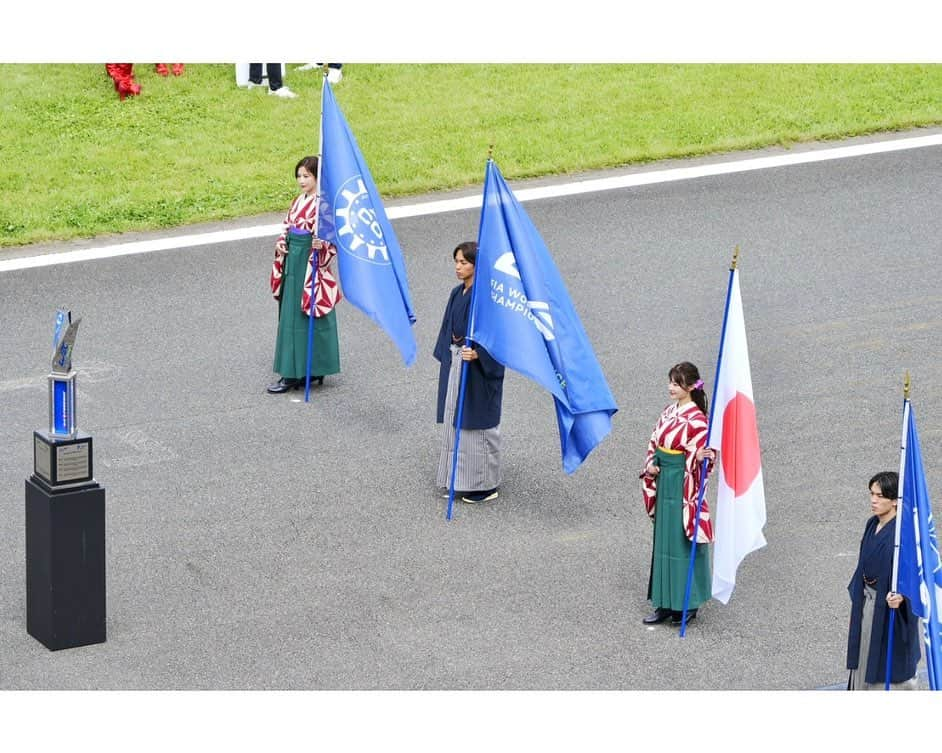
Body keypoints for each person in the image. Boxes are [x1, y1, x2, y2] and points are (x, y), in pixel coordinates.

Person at [639, 361, 715, 628]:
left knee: (682, 541)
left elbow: (704, 456)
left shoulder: (698, 420)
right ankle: (663, 601)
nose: (671, 387)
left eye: (677, 382)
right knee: (664, 544)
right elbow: (654, 442)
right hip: (663, 479)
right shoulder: (668, 412)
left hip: (683, 485)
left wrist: (704, 456)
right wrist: (651, 464)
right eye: (670, 381)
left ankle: (687, 603)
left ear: (691, 386)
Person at [433, 241, 504, 504]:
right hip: (457, 360)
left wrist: (480, 354)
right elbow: (448, 327)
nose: (458, 267)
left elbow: (499, 335)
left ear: (476, 265)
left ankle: (486, 484)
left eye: (464, 262)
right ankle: (458, 479)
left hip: (478, 369)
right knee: (456, 420)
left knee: (478, 426)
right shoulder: (457, 292)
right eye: (456, 262)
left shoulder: (486, 298)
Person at [267, 156, 340, 394]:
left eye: (306, 176)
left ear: (317, 177)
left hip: (309, 262)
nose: (301, 180)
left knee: (305, 314)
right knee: (291, 314)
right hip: (293, 258)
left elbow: (331, 237)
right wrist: (281, 242)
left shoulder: (323, 205)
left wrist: (322, 245)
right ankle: (299, 370)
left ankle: (299, 372)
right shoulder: (299, 201)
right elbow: (287, 226)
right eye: (299, 176)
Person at [845, 471, 921, 689]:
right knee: (864, 653)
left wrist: (904, 597)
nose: (873, 500)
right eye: (871, 494)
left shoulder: (903, 534)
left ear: (895, 501)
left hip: (890, 609)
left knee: (887, 660)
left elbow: (916, 575)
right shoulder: (871, 524)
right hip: (867, 603)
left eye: (879, 496)